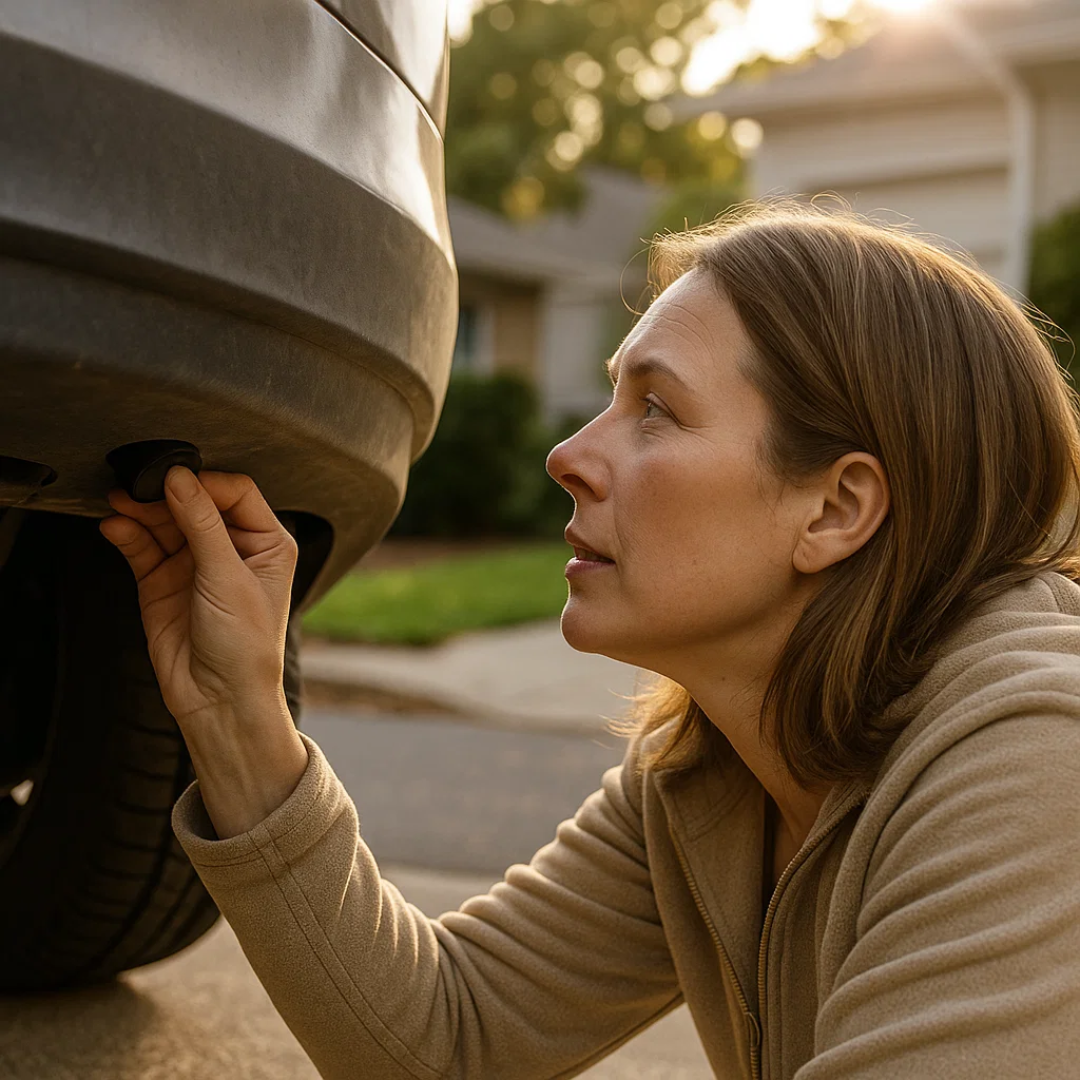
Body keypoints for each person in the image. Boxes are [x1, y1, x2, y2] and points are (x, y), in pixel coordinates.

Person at [99, 199, 1080, 1079]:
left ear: (837, 506)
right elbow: (449, 1040)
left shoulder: (1037, 753)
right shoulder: (717, 769)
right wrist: (237, 714)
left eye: (656, 408)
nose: (567, 457)